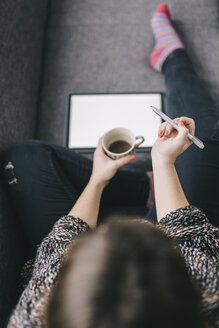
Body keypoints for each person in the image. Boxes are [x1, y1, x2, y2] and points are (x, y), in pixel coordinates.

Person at [3, 2, 219, 328]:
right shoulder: (207, 296)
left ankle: (143, 188)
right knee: (203, 132)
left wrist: (98, 180)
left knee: (24, 159)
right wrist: (163, 162)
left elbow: (60, 244)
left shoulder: (33, 315)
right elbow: (186, 233)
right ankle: (171, 57)